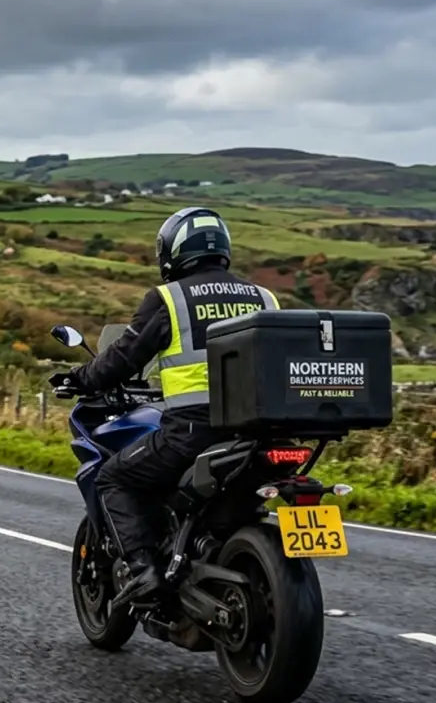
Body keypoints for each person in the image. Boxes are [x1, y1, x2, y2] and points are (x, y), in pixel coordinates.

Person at [49, 206, 280, 605]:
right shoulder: (264, 297)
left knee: (112, 479)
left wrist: (80, 378)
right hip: (261, 432)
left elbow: (124, 356)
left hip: (193, 432)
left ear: (173, 250)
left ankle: (143, 573)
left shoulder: (169, 299)